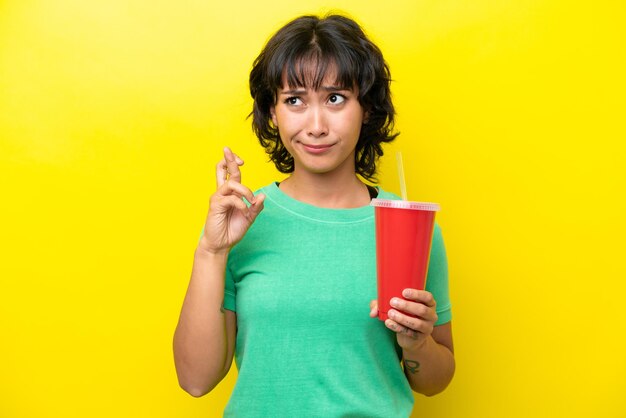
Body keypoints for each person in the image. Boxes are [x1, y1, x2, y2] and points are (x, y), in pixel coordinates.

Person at [173, 13, 455, 417]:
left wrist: (417, 344)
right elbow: (196, 380)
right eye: (294, 100)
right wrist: (211, 251)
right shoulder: (244, 223)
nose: (316, 125)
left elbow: (436, 380)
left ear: (367, 109)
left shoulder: (409, 226)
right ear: (272, 111)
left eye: (335, 98)